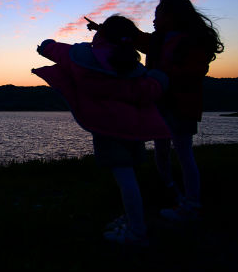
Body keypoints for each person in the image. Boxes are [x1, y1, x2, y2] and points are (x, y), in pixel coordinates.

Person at [32, 15, 170, 246]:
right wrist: (158, 80)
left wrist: (47, 46)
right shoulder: (134, 68)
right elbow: (149, 90)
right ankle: (133, 218)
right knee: (131, 177)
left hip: (108, 129)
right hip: (134, 131)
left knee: (125, 180)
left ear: (102, 35)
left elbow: (61, 52)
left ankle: (137, 232)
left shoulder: (85, 59)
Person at [128, 0, 224, 222]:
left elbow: (194, 72)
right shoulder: (158, 40)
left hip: (181, 107)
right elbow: (137, 39)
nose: (153, 20)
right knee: (161, 152)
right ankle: (173, 193)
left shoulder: (192, 41)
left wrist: (161, 76)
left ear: (172, 16)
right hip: (160, 107)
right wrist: (104, 29)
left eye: (157, 15)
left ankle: (191, 204)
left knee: (183, 153)